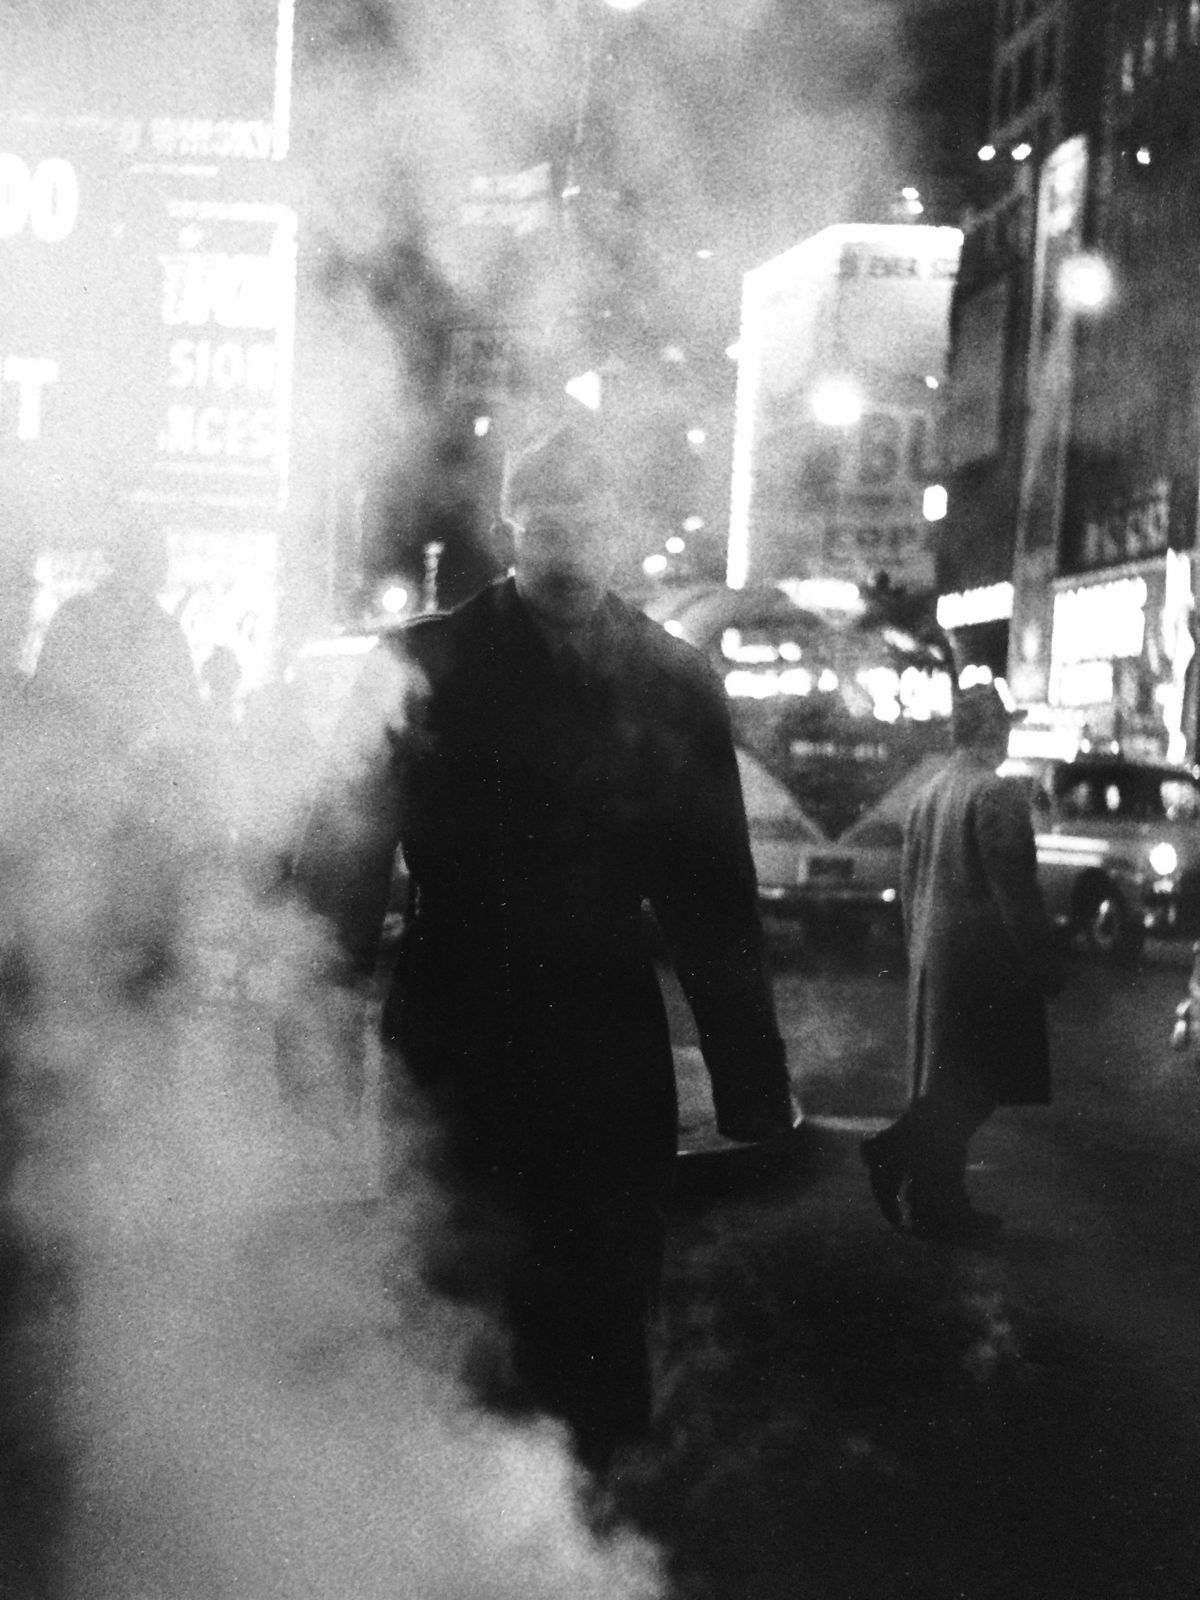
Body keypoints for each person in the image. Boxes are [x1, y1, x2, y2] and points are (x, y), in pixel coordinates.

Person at [290, 416, 796, 1471]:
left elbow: (714, 898)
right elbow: (342, 864)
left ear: (619, 527)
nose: (567, 538)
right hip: (454, 1041)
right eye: (547, 516)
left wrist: (752, 1082)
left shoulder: (674, 679)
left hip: (601, 1043)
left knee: (599, 1324)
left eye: (590, 515)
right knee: (453, 1318)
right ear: (512, 524)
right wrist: (310, 1062)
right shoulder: (418, 663)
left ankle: (579, 1546)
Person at [860, 681, 1063, 1243]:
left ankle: (935, 1202)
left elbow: (908, 885)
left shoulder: (929, 794)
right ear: (990, 731)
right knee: (975, 1085)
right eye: (1004, 725)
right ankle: (893, 1153)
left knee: (945, 1084)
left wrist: (916, 949)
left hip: (936, 960)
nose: (1007, 736)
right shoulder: (994, 795)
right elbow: (1015, 891)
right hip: (984, 967)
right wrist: (1042, 962)